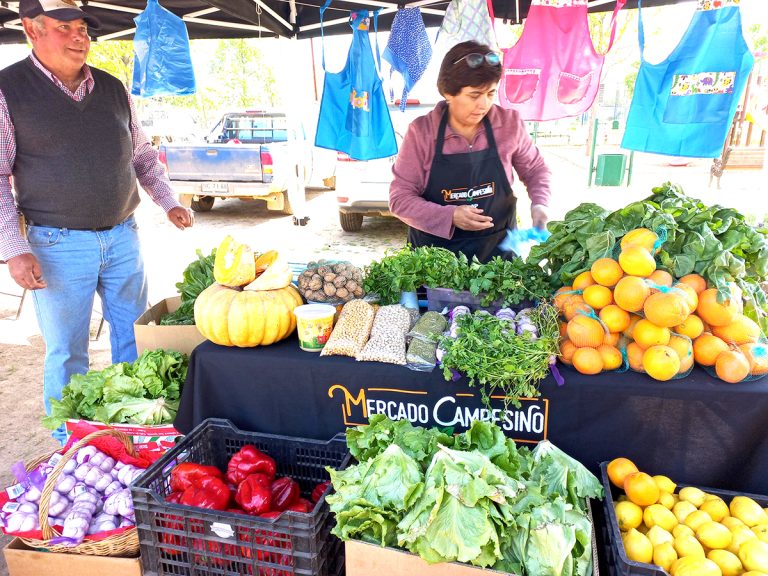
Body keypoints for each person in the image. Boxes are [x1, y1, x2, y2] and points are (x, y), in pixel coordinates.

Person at [0, 0, 194, 444]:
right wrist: (13, 248)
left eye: (83, 28)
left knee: (135, 341)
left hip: (123, 237)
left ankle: (136, 436)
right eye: (64, 27)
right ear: (32, 29)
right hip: (56, 244)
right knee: (68, 352)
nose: (79, 36)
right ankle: (71, 447)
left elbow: (142, 155)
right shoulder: (8, 90)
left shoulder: (112, 88)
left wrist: (168, 201)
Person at [389, 40, 552, 263]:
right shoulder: (422, 133)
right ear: (449, 93)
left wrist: (540, 205)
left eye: (491, 93)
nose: (484, 104)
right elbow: (400, 199)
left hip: (498, 257)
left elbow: (535, 170)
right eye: (474, 95)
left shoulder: (509, 124)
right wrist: (450, 216)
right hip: (434, 259)